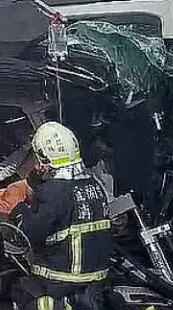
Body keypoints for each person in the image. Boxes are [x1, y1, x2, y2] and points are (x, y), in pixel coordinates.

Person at [10, 121, 112, 310]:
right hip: (97, 277)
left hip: (61, 278)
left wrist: (19, 211)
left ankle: (62, 305)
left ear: (44, 158)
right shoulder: (94, 184)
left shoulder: (53, 191)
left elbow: (30, 233)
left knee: (20, 293)